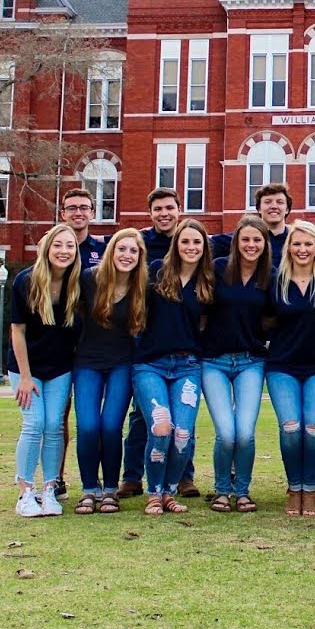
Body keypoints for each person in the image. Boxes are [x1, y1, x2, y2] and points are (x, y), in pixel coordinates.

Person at [120, 188, 200, 499]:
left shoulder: (194, 243)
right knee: (144, 413)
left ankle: (183, 477)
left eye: (169, 207)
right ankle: (132, 476)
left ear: (179, 210)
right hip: (148, 338)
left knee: (183, 417)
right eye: (158, 209)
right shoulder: (142, 243)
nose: (164, 214)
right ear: (150, 213)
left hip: (184, 341)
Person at [132, 219, 214, 515]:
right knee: (161, 426)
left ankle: (168, 492)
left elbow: (206, 324)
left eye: (197, 242)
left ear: (204, 247)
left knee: (182, 433)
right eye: (185, 241)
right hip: (150, 364)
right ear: (176, 245)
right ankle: (153, 492)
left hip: (188, 366)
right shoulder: (156, 271)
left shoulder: (207, 282)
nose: (191, 247)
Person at [264, 221, 315, 517]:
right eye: (297, 244)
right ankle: (294, 486)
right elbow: (263, 320)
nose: (302, 249)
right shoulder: (275, 280)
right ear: (289, 248)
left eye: (308, 244)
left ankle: (309, 489)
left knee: (313, 428)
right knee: (291, 428)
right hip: (282, 364)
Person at [71, 228, 146, 515]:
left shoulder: (141, 288)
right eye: (122, 249)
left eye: (133, 251)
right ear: (111, 251)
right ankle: (90, 489)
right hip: (87, 362)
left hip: (122, 364)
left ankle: (111, 490)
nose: (127, 255)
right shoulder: (89, 280)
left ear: (139, 257)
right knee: (89, 426)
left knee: (111, 426)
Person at [8, 224, 82, 517]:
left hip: (61, 368)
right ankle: (25, 492)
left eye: (70, 246)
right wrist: (25, 377)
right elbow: (17, 331)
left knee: (54, 426)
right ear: (47, 248)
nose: (64, 251)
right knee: (34, 423)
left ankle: (49, 489)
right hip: (27, 368)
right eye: (58, 245)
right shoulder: (26, 281)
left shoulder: (76, 285)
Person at [202, 216, 273, 514]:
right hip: (214, 361)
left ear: (265, 244)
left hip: (250, 361)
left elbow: (274, 318)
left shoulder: (270, 276)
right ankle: (222, 491)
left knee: (244, 432)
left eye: (257, 240)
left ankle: (242, 491)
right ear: (236, 242)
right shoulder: (218, 269)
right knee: (226, 433)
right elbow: (201, 310)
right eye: (245, 239)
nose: (251, 245)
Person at [51, 188, 107, 501]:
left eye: (84, 208)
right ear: (63, 213)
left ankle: (99, 477)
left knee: (94, 417)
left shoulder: (102, 248)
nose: (78, 213)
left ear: (92, 212)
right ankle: (56, 477)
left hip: (95, 344)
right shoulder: (53, 247)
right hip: (60, 342)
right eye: (72, 208)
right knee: (59, 416)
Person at [211, 183, 292, 266]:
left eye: (280, 202)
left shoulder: (295, 241)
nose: (274, 206)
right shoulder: (236, 240)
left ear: (287, 209)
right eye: (268, 202)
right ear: (259, 209)